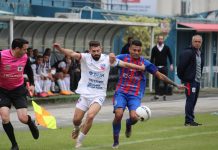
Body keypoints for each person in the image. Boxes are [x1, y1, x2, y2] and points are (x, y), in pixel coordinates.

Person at [53, 40, 145, 148]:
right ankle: (77, 128)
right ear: (90, 51)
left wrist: (140, 68)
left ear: (101, 49)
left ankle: (79, 140)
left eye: (98, 50)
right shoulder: (85, 57)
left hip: (99, 95)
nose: (96, 53)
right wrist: (60, 49)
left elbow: (124, 64)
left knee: (90, 116)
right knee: (76, 120)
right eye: (94, 51)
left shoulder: (107, 59)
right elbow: (72, 53)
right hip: (85, 94)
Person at [112, 39, 185, 149]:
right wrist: (111, 57)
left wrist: (176, 85)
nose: (136, 52)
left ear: (141, 50)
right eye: (134, 50)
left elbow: (160, 76)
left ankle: (128, 123)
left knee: (134, 118)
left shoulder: (145, 63)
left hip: (135, 95)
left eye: (138, 50)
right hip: (121, 92)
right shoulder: (122, 58)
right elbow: (109, 61)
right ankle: (116, 141)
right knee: (118, 114)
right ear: (129, 49)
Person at [0, 38, 39, 150]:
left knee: (22, 118)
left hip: (18, 90)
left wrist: (32, 83)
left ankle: (30, 123)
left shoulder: (25, 57)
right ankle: (14, 145)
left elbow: (29, 70)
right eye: (24, 49)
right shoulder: (2, 56)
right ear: (17, 48)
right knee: (4, 117)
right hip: (3, 91)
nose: (26, 52)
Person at [177, 34, 204, 126]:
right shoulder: (187, 52)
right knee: (190, 100)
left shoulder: (200, 53)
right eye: (195, 41)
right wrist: (184, 79)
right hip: (190, 81)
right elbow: (180, 67)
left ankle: (191, 119)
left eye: (199, 42)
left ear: (201, 43)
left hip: (197, 81)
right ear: (192, 42)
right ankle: (188, 121)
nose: (197, 43)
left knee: (194, 100)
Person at [150, 35, 173, 101]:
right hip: (156, 67)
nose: (160, 40)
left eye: (161, 39)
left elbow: (170, 56)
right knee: (156, 81)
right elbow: (152, 58)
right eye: (159, 39)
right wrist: (150, 66)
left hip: (164, 67)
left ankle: (164, 94)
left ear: (163, 40)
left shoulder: (166, 48)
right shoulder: (154, 48)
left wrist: (171, 64)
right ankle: (157, 94)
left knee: (165, 80)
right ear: (157, 40)